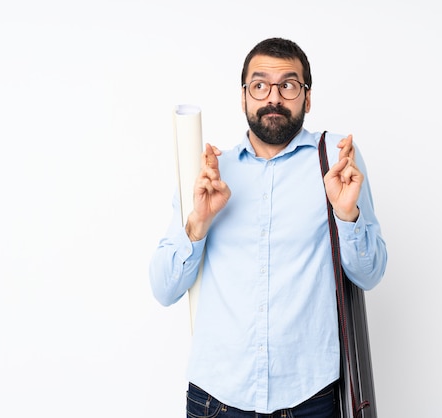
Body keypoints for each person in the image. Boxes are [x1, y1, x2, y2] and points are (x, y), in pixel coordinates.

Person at [149, 37, 387, 417]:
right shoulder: (211, 174)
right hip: (216, 398)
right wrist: (197, 223)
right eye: (259, 85)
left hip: (310, 399)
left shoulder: (336, 164)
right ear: (243, 98)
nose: (273, 97)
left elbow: (370, 274)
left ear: (306, 98)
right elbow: (163, 289)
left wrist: (346, 215)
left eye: (288, 85)